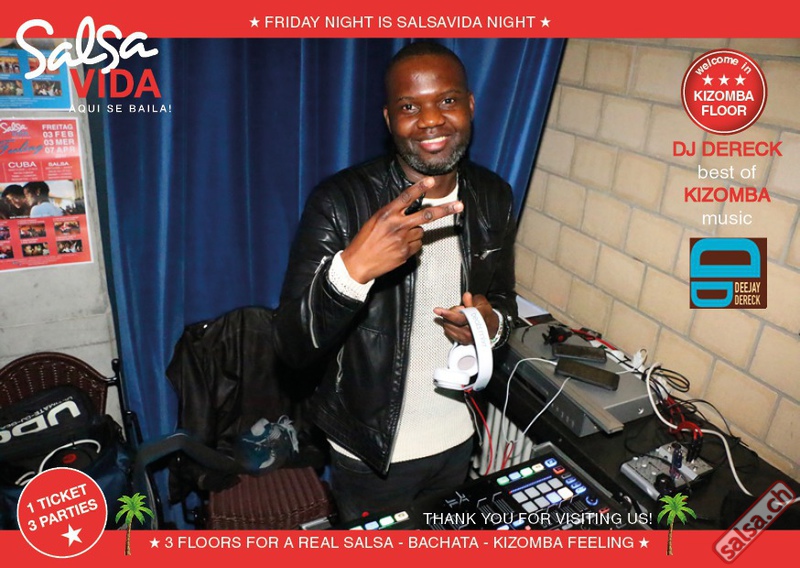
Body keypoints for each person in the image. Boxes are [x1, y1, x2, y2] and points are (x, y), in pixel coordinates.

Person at [274, 41, 517, 522]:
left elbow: (503, 304)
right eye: (410, 107)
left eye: (447, 100)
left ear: (470, 105)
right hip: (371, 454)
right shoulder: (340, 202)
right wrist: (352, 272)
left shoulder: (493, 196)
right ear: (389, 120)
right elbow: (291, 348)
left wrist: (488, 328)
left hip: (458, 437)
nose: (431, 120)